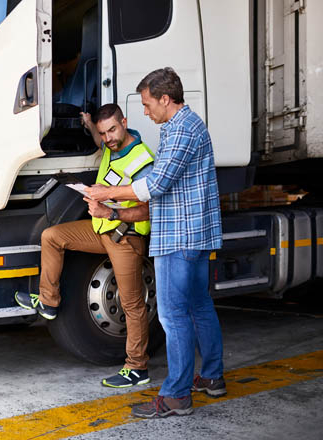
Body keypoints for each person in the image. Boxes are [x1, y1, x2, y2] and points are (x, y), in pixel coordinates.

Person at [86, 67, 225, 417]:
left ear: (166, 99)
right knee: (199, 306)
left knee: (173, 315)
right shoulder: (185, 127)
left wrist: (107, 192)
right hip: (191, 234)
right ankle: (211, 377)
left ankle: (177, 395)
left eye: (148, 104)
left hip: (179, 236)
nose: (145, 112)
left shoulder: (181, 130)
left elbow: (154, 186)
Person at [15, 103, 156, 388]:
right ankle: (49, 302)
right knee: (52, 237)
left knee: (132, 305)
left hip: (125, 238)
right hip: (102, 230)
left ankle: (137, 368)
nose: (108, 139)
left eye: (112, 131)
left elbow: (150, 210)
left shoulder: (142, 160)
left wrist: (112, 212)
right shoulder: (110, 146)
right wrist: (90, 124)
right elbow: (97, 139)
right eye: (104, 133)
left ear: (125, 123)